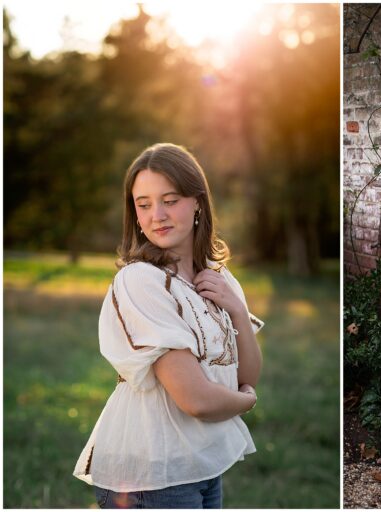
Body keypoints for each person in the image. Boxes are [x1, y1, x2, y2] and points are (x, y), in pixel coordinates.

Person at [73, 143, 265, 508]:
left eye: (170, 199)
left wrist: (237, 310)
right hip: (151, 472)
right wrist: (246, 402)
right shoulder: (140, 281)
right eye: (143, 204)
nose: (156, 215)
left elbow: (247, 372)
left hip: (201, 464)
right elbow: (196, 398)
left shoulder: (219, 278)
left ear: (197, 201)